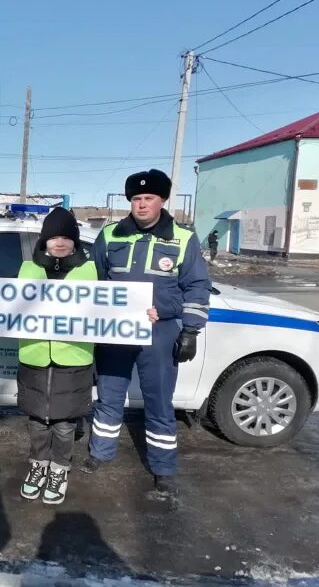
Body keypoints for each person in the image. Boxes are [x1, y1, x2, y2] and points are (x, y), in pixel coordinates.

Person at [83, 169, 211, 495]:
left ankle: (163, 466)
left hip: (160, 331)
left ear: (162, 200)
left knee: (159, 401)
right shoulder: (111, 235)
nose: (141, 204)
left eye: (148, 198)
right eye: (136, 198)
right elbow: (93, 279)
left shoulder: (182, 238)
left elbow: (196, 286)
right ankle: (100, 452)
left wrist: (190, 330)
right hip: (115, 331)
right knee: (109, 396)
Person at [15, 208, 97, 505]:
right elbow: (12, 306)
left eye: (66, 237)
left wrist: (141, 313)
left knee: (65, 425)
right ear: (44, 240)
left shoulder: (89, 270)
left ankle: (60, 469)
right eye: (53, 237)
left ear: (75, 241)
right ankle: (38, 465)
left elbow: (111, 308)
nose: (59, 243)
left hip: (73, 359)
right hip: (34, 357)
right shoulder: (28, 268)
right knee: (37, 421)